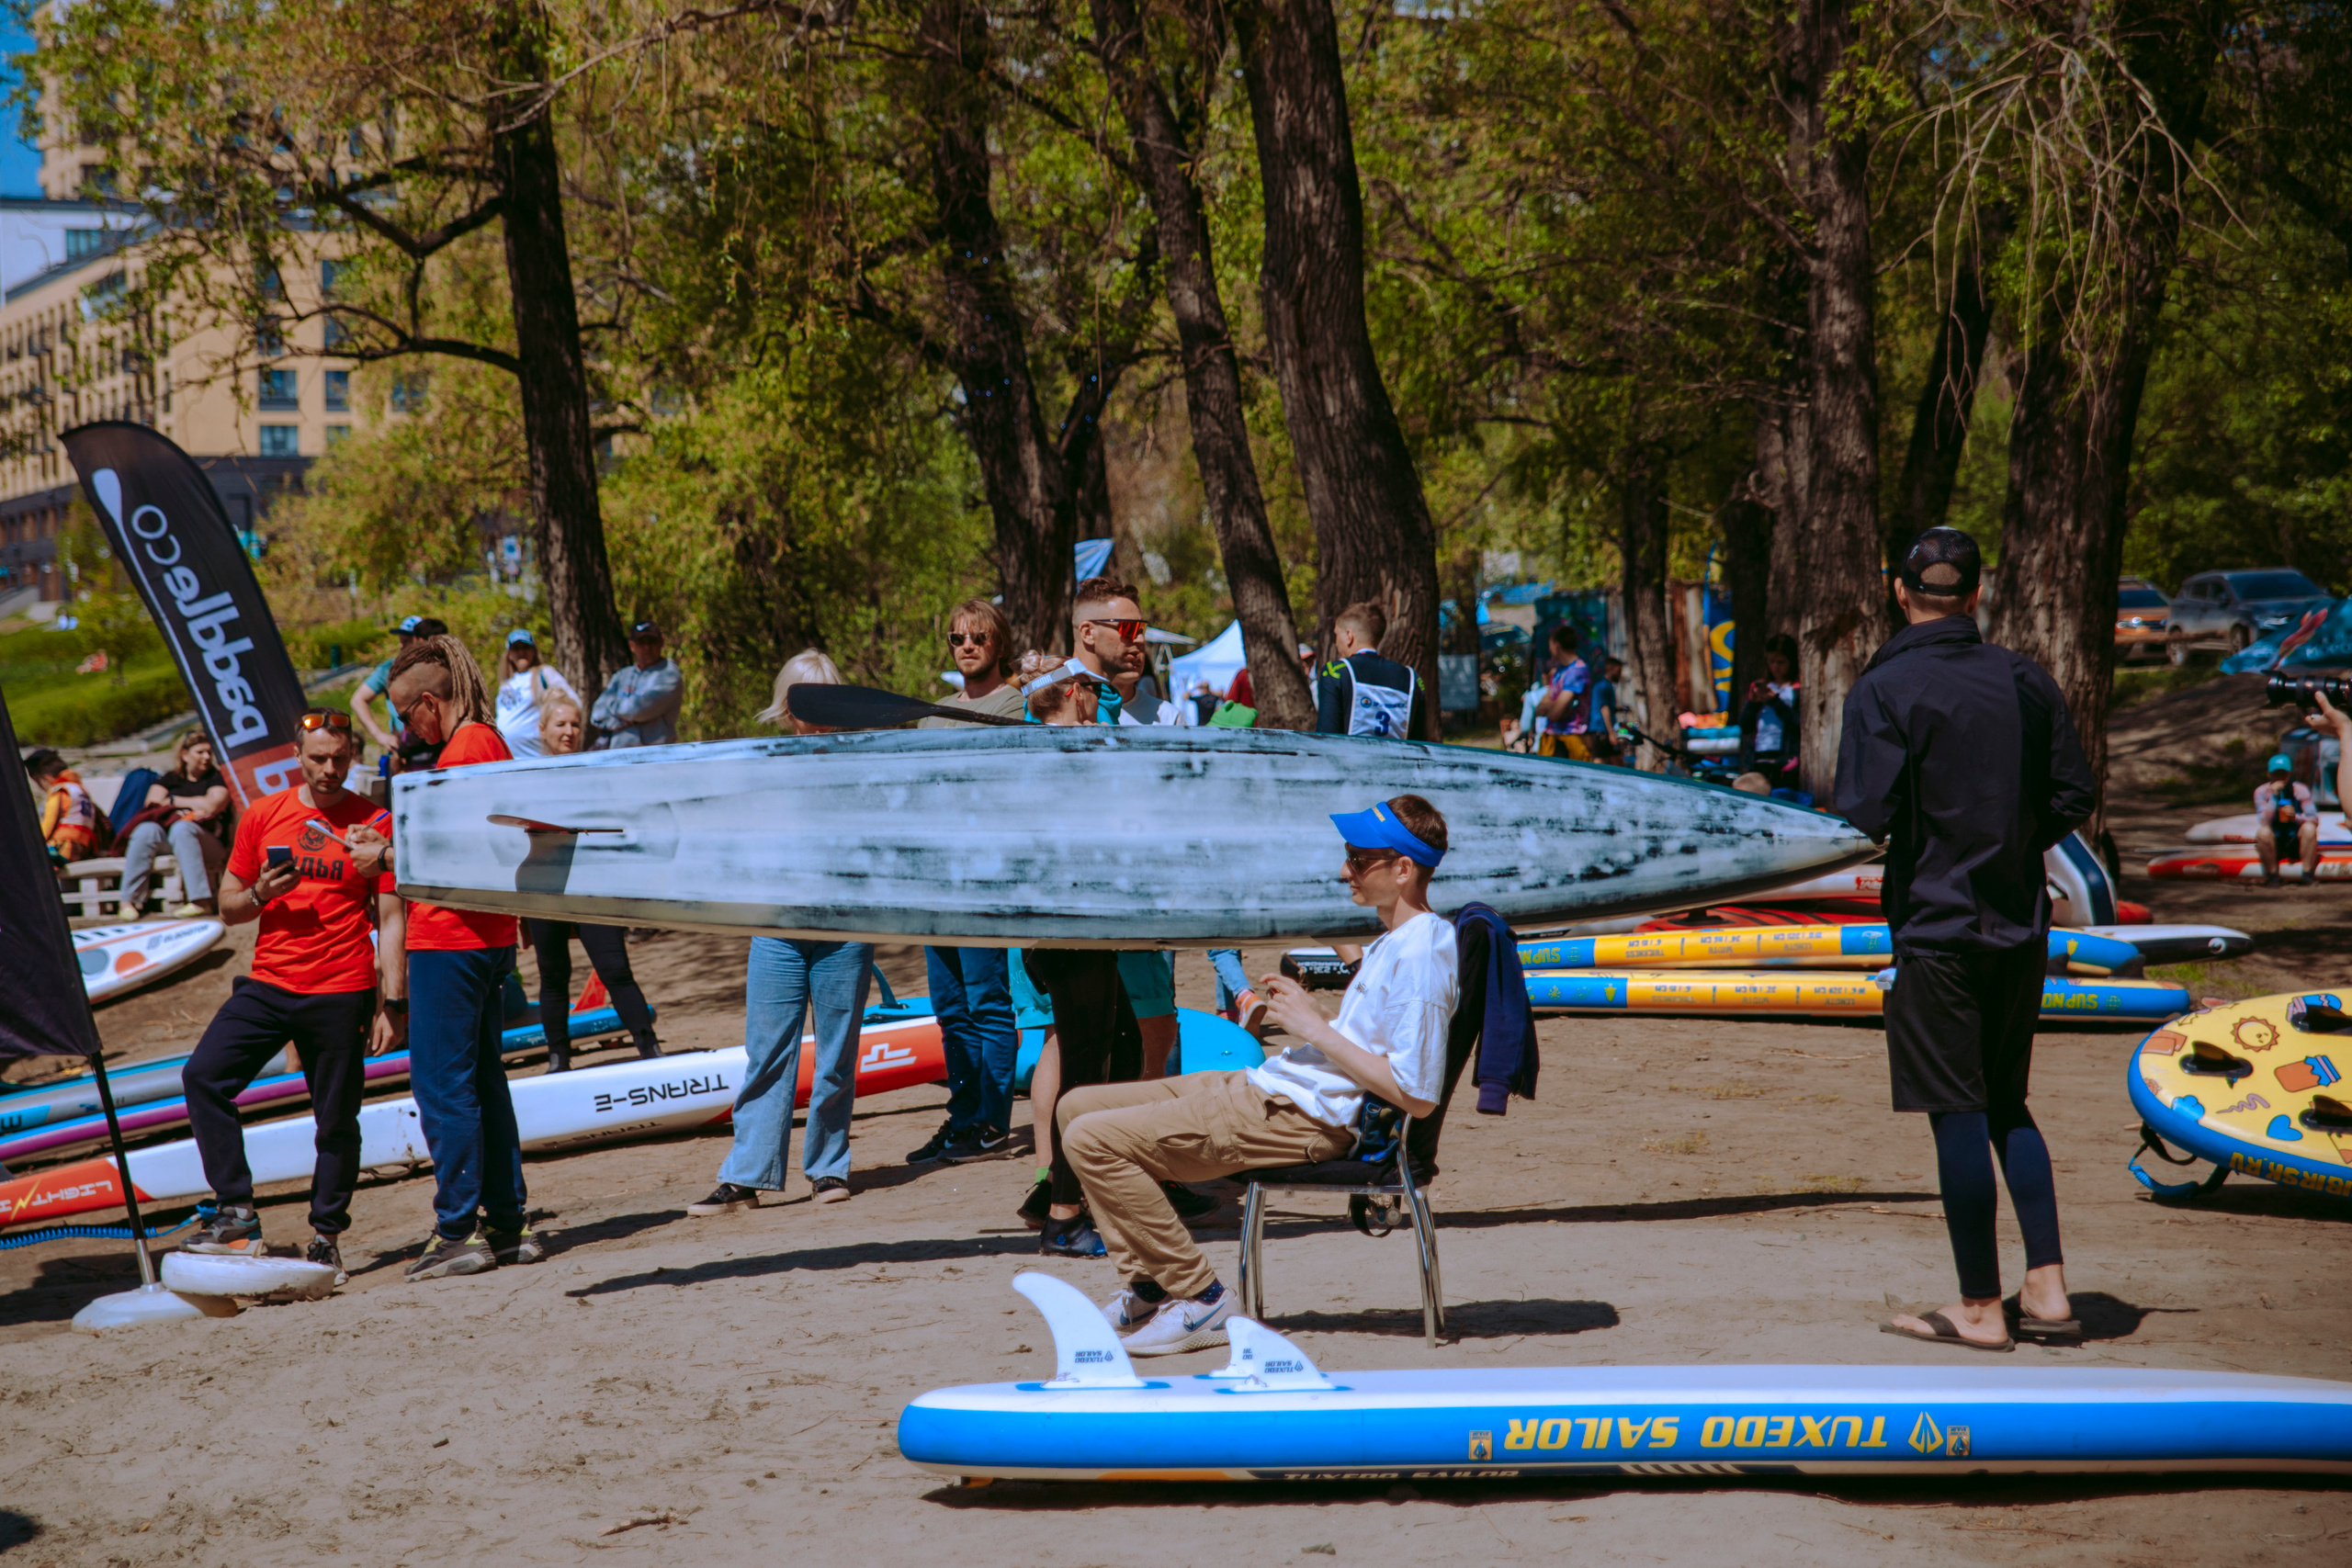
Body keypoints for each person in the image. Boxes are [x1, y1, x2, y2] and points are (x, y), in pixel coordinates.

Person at [1057, 795, 1459, 1356]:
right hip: (1272, 1088)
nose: (1345, 869)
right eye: (1347, 854)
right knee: (1075, 1107)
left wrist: (1314, 1027)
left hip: (1300, 1116)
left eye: (1359, 858)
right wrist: (1321, 1004)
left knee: (1090, 1139)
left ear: (1402, 869)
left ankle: (1200, 1298)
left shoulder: (1422, 954)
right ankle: (1151, 1283)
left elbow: (1416, 1096)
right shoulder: (1398, 941)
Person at [1835, 526, 2095, 1352]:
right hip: (2020, 925)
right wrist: (2014, 842)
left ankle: (1980, 1304)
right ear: (1978, 594)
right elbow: (2073, 792)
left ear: (1901, 594)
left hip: (1936, 929)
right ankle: (2047, 1287)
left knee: (1956, 1109)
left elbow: (1863, 815)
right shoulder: (2025, 678)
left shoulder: (1885, 686)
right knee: (2007, 1100)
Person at [345, 634, 545, 1280]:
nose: (404, 729)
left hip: (453, 940)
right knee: (483, 1081)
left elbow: (469, 851)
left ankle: (458, 1229)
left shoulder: (468, 746)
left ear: (430, 701)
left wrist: (384, 858)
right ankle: (507, 1225)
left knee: (443, 1086)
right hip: (480, 938)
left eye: (406, 716)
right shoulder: (481, 741)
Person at [177, 709, 402, 1280]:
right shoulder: (263, 815)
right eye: (319, 758)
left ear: (352, 756)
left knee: (335, 1121)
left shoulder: (374, 821)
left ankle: (326, 1236)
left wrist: (390, 1003)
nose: (330, 769)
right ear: (297, 758)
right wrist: (259, 892)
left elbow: (392, 917)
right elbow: (227, 906)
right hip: (270, 983)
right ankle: (237, 1211)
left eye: (340, 758)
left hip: (342, 988)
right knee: (203, 1077)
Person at [689, 649, 874, 1215]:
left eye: (825, 704)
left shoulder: (864, 761)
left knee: (838, 1050)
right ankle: (747, 1174)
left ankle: (827, 1166)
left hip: (846, 923)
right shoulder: (759, 764)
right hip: (775, 925)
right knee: (767, 1050)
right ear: (786, 708)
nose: (813, 719)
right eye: (803, 705)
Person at [908, 602, 1024, 1167]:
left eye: (979, 637)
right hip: (936, 880)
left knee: (988, 1003)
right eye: (957, 637)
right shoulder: (933, 714)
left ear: (998, 644)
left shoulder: (1016, 704)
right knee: (950, 1008)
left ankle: (993, 1122)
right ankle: (963, 1115)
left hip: (983, 878)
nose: (967, 645)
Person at [527, 693, 662, 1070]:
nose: (569, 732)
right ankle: (558, 1059)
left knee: (615, 969)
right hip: (545, 889)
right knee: (553, 976)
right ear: (542, 730)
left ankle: (649, 1049)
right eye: (560, 724)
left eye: (574, 725)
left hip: (591, 885)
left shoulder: (594, 772)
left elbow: (618, 828)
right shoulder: (527, 777)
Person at [119, 727, 233, 916]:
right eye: (200, 752)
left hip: (210, 843)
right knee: (146, 829)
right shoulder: (170, 779)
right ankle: (128, 901)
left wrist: (174, 801)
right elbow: (152, 803)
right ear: (185, 755)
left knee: (183, 829)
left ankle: (199, 901)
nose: (206, 757)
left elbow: (213, 805)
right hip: (174, 839)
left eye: (209, 752)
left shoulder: (217, 777)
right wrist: (196, 804)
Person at [1315, 601, 1426, 741]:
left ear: (1349, 636)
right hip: (1397, 763)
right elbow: (1419, 742)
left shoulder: (1335, 672)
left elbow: (1326, 737)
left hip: (1349, 762)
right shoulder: (1412, 679)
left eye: (1336, 635)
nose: (1336, 643)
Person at [350, 614, 447, 752]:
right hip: (405, 749)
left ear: (420, 640)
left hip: (437, 747)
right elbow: (358, 700)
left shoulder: (440, 668)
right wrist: (379, 735)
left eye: (406, 641)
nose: (401, 646)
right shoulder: (389, 669)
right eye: (400, 641)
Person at [591, 620, 684, 749]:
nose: (647, 648)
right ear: (631, 645)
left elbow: (640, 710)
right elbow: (598, 713)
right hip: (619, 755)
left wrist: (615, 709)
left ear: (662, 642)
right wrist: (623, 719)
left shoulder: (669, 673)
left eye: (652, 641)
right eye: (641, 642)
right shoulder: (622, 676)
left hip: (655, 754)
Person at [495, 628, 576, 760]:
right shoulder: (505, 683)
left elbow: (573, 703)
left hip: (535, 757)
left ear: (533, 651)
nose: (521, 652)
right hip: (508, 757)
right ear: (509, 654)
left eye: (526, 647)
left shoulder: (544, 674)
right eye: (516, 648)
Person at [1737, 632, 1800, 781]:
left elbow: (1797, 723)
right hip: (1759, 757)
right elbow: (1745, 726)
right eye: (1771, 661)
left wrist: (1775, 702)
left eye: (1781, 662)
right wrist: (1752, 703)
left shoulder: (1797, 689)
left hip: (1785, 758)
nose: (1775, 667)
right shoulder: (1760, 686)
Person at [2253, 751, 2321, 887]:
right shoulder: (2261, 792)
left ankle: (2307, 874)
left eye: (2283, 774)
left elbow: (2314, 818)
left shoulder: (2300, 790)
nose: (2280, 777)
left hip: (2294, 837)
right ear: (2269, 774)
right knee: (2263, 832)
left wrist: (2295, 817)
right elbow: (2264, 820)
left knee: (2309, 828)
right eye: (2276, 774)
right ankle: (2272, 876)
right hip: (2275, 839)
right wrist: (2273, 797)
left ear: (2289, 774)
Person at [24, 748, 104, 863]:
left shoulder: (60, 792)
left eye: (38, 782)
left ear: (46, 777)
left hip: (63, 849)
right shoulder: (79, 790)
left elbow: (48, 826)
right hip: (84, 849)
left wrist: (32, 844)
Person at [1532, 632, 1595, 761]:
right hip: (1553, 741)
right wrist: (1555, 707)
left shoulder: (1577, 671)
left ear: (1557, 645)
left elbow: (1555, 713)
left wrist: (1552, 707)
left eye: (1550, 644)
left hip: (1571, 743)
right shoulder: (1559, 671)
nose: (1549, 649)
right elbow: (1539, 709)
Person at [1588, 654, 1625, 763]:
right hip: (1602, 731)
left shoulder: (1602, 685)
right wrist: (1611, 733)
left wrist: (1617, 709)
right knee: (1611, 762)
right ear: (1612, 669)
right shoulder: (1604, 687)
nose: (1620, 675)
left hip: (1598, 730)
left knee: (1605, 761)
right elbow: (1604, 709)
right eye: (1618, 671)